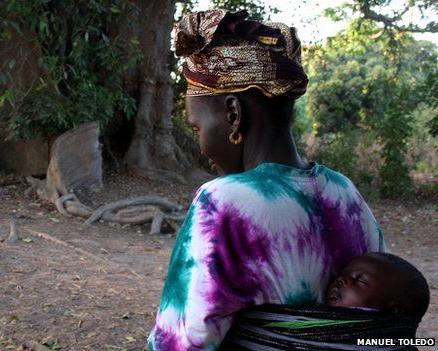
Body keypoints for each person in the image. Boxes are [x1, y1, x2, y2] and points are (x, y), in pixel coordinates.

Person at [148, 9, 385, 350]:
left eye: (197, 126)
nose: (201, 145)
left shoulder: (223, 203)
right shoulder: (346, 195)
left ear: (233, 114)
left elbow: (184, 340)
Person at [223, 252, 430, 350]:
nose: (341, 279)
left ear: (393, 311)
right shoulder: (309, 323)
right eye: (342, 274)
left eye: (358, 280)